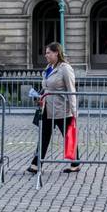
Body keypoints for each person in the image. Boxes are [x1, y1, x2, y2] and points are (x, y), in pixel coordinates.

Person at [28, 42, 79, 174]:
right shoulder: (49, 67)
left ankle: (75, 163)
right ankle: (36, 163)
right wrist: (40, 95)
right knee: (44, 136)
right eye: (46, 53)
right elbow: (46, 87)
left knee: (68, 137)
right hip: (47, 108)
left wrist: (74, 111)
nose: (46, 55)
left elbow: (71, 90)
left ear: (56, 53)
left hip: (62, 109)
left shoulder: (65, 68)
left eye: (48, 52)